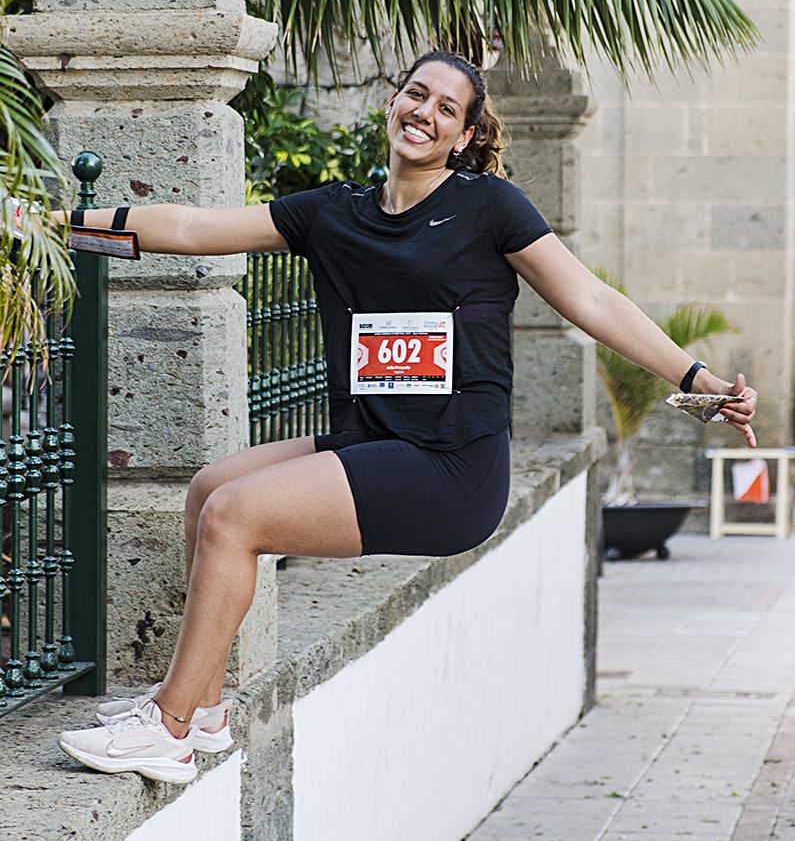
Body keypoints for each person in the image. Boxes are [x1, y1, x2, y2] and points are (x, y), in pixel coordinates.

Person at [51, 51, 758, 784]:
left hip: (451, 464)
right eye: (416, 94)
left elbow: (592, 300)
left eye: (446, 108)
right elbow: (195, 228)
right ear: (392, 103)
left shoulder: (490, 207)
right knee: (208, 490)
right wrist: (65, 228)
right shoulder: (335, 213)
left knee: (234, 515)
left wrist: (696, 377)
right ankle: (202, 712)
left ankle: (165, 732)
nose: (425, 112)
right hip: (374, 439)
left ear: (463, 135)